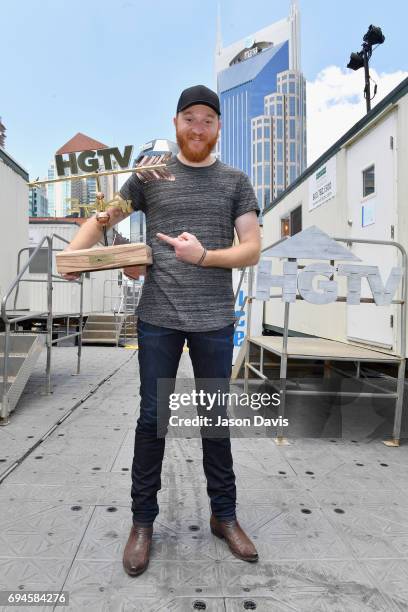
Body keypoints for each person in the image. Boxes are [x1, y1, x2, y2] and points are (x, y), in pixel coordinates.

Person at [63, 85, 261, 576]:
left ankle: (224, 514)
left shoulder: (236, 181)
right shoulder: (150, 176)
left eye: (208, 120)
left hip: (215, 319)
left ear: (218, 128)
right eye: (189, 118)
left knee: (215, 420)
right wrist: (76, 255)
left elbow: (252, 248)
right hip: (159, 319)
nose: (198, 127)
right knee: (153, 419)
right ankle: (142, 521)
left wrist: (206, 257)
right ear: (175, 124)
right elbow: (103, 218)